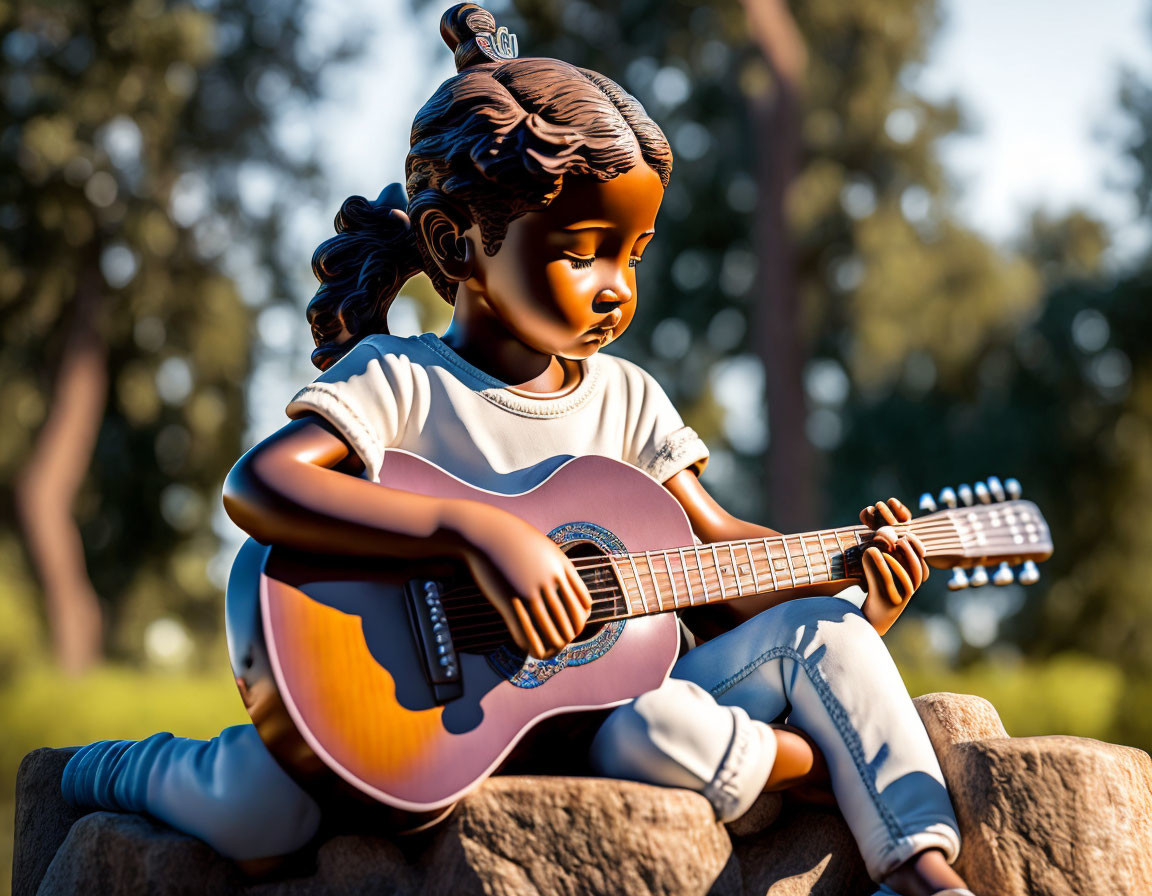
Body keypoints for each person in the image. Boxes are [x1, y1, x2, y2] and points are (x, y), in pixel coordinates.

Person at [62, 6, 974, 894]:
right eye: (583, 252)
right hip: (406, 707)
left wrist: (842, 582)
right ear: (456, 242)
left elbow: (713, 547)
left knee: (798, 649)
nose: (617, 289)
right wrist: (478, 534)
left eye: (634, 255)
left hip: (612, 716)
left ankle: (922, 871)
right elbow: (261, 485)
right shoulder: (404, 378)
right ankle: (111, 770)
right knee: (262, 812)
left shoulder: (627, 398)